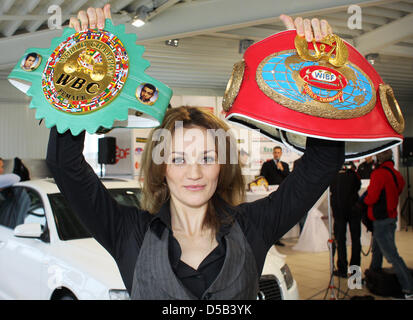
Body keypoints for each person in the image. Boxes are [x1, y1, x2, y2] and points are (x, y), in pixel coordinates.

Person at [48, 6, 344, 300]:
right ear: (161, 168)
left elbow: (323, 161)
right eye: (178, 159)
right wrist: (83, 63)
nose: (194, 173)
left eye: (207, 157)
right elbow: (65, 164)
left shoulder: (254, 225)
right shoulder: (128, 232)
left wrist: (318, 68)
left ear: (222, 166)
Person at [364, 149, 413, 299]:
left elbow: (371, 198)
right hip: (391, 217)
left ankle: (408, 288)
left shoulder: (379, 174)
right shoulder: (396, 174)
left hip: (381, 219)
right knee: (378, 250)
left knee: (392, 255)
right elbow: (400, 188)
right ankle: (373, 276)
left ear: (379, 158)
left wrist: (364, 201)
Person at [330, 161, 361, 278]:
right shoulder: (354, 174)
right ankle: (355, 272)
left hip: (340, 212)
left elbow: (332, 190)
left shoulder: (334, 175)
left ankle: (342, 269)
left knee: (341, 241)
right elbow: (357, 187)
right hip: (353, 210)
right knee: (355, 241)